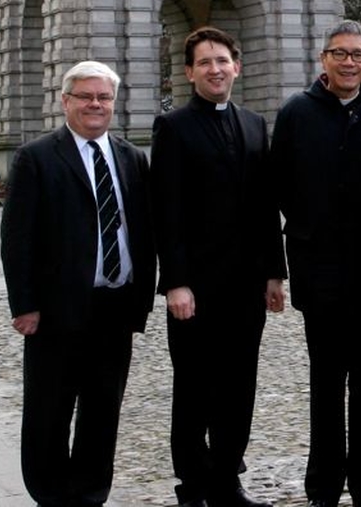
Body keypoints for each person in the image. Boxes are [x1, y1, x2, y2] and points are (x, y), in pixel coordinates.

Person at [0, 60, 157, 507]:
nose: (95, 104)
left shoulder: (131, 157)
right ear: (65, 101)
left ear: (114, 103)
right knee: (49, 409)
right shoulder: (37, 157)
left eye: (103, 97)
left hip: (115, 305)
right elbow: (17, 238)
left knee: (102, 409)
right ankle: (49, 494)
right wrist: (24, 304)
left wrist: (141, 299)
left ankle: (90, 493)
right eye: (86, 96)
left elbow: (141, 230)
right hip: (56, 308)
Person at [269, 19, 361, 507]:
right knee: (326, 383)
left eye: (359, 55)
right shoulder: (296, 113)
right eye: (341, 53)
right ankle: (323, 487)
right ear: (323, 59)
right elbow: (278, 188)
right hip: (319, 269)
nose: (350, 62)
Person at [150, 26, 287, 507]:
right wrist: (177, 283)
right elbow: (167, 211)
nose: (215, 69)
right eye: (205, 62)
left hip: (247, 285)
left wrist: (275, 272)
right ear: (189, 72)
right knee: (194, 388)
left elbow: (265, 205)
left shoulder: (253, 123)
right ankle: (192, 485)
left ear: (237, 66)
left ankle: (227, 479)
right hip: (196, 287)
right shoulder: (173, 127)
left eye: (222, 60)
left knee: (238, 387)